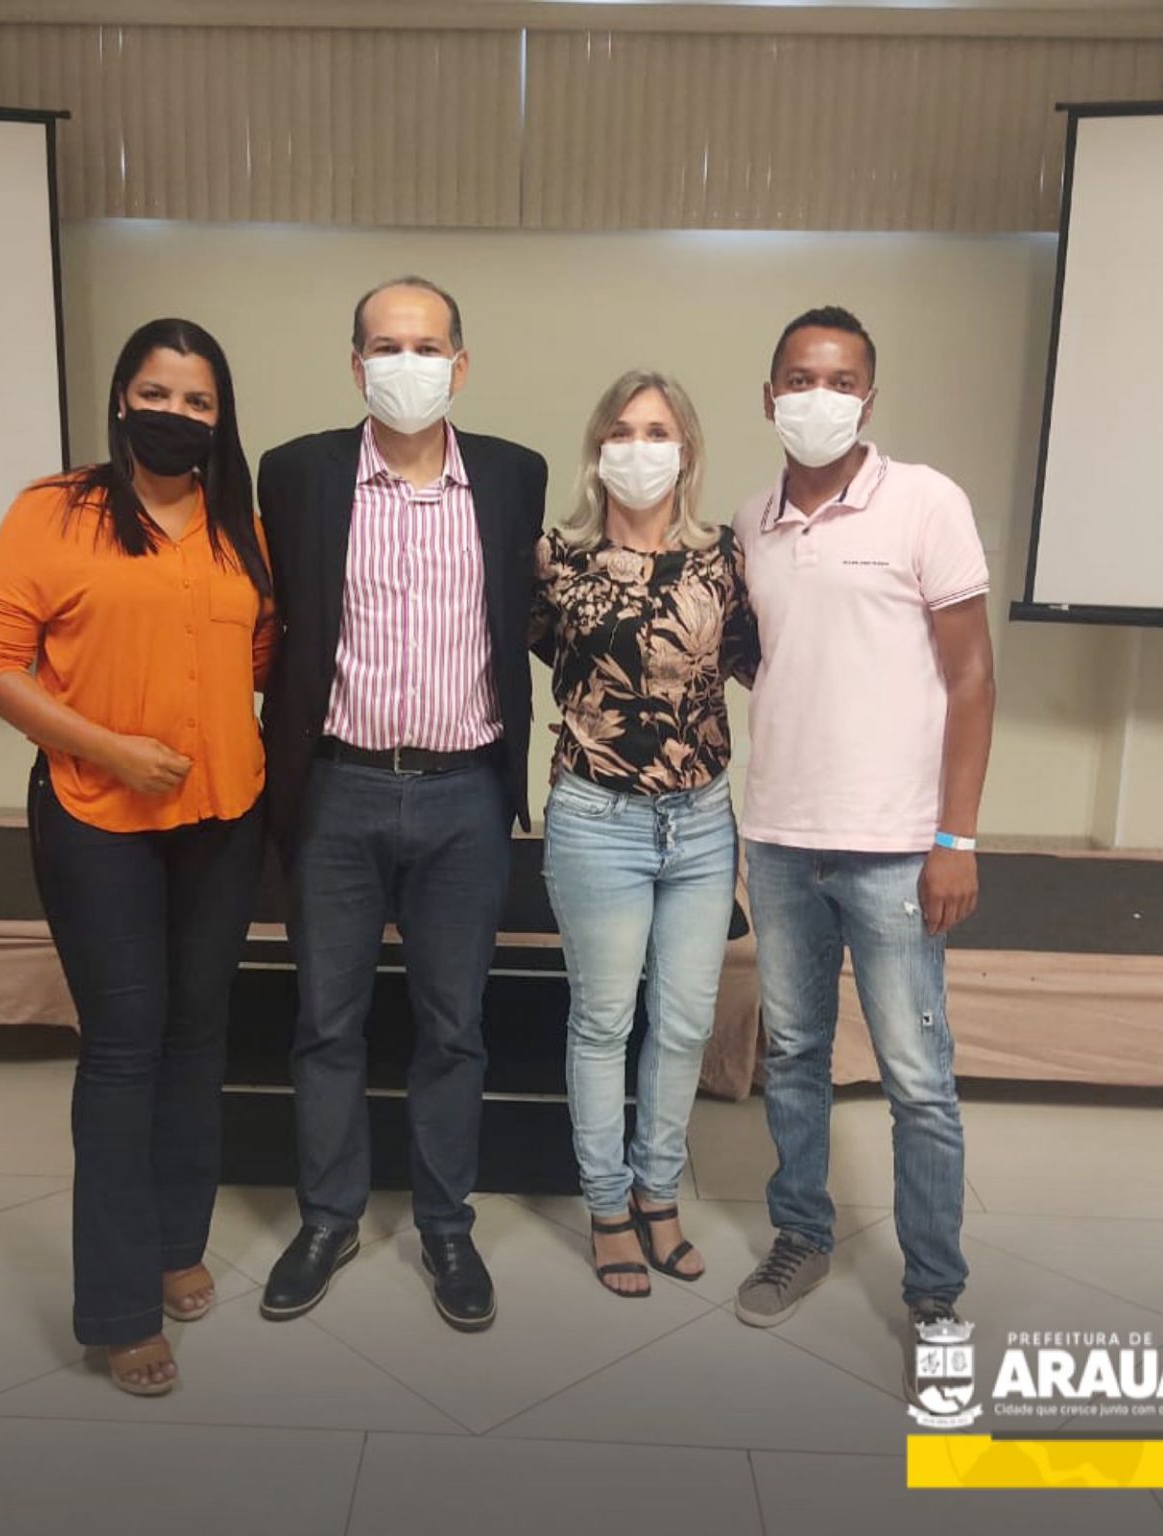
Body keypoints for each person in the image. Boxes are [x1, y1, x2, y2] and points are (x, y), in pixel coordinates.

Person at [0, 319, 276, 1396]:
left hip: (224, 819)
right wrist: (111, 747)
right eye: (157, 394)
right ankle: (116, 1309)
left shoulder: (241, 526)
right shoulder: (54, 511)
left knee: (198, 1036)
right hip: (97, 816)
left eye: (197, 402)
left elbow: (262, 653)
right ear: (120, 400)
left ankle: (176, 1242)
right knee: (125, 1049)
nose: (175, 416)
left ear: (220, 418)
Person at [256, 277, 547, 1332]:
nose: (406, 365)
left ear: (460, 365)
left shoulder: (513, 476)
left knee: (453, 1028)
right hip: (336, 788)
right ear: (355, 365)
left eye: (426, 347)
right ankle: (328, 1219)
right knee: (325, 1023)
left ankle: (445, 1227)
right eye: (386, 346)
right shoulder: (297, 473)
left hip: (466, 794)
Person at [729, 306, 995, 1407]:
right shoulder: (751, 521)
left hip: (895, 848)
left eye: (841, 380)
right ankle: (801, 1234)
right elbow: (772, 658)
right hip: (781, 838)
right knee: (793, 1054)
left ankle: (935, 1295)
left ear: (869, 398)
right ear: (769, 396)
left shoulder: (927, 501)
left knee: (918, 1081)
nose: (819, 395)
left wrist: (954, 838)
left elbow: (972, 678)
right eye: (800, 377)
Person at [532, 371, 758, 1297]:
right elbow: (543, 656)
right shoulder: (557, 558)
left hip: (701, 822)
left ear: (687, 450)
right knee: (604, 1019)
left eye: (657, 431)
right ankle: (607, 1207)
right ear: (597, 450)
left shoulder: (725, 558)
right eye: (621, 431)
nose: (638, 447)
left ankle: (659, 1194)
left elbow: (755, 664)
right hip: (598, 820)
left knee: (687, 1020)